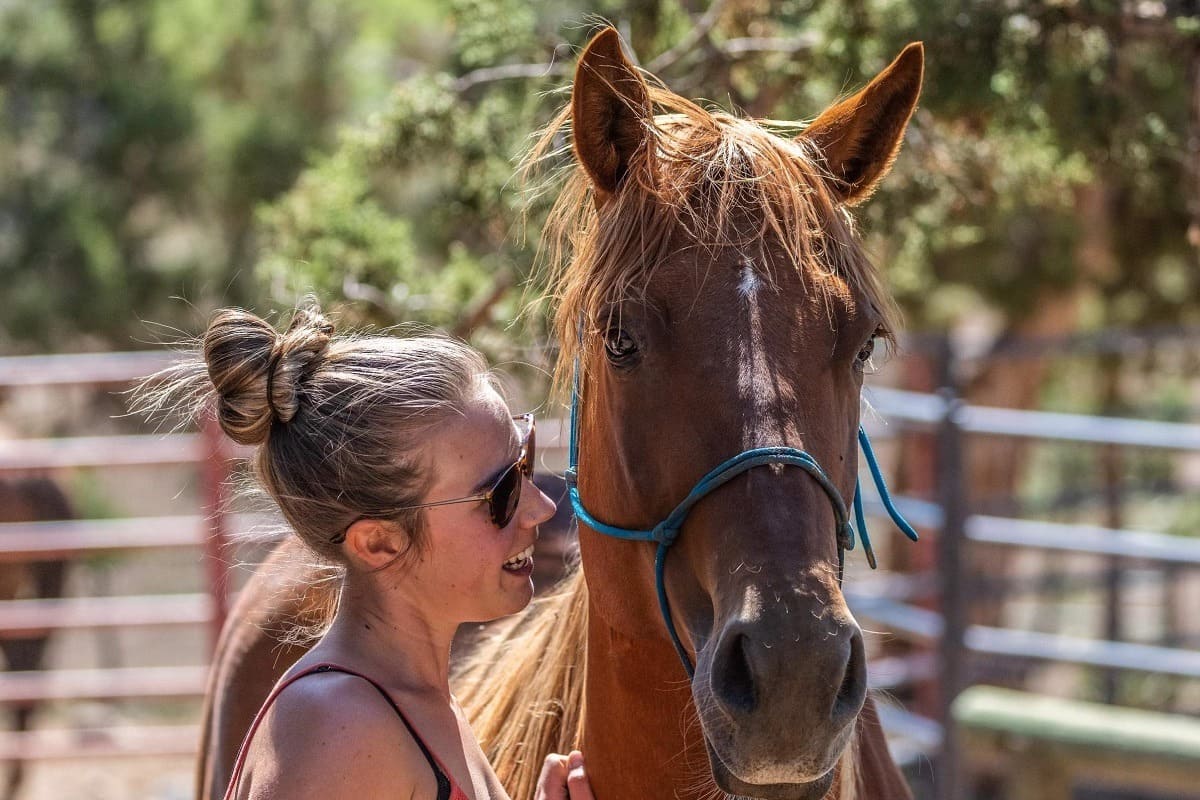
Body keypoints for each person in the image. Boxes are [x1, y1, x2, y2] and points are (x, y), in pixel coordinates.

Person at [146, 304, 594, 800]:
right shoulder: (342, 729)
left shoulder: (409, 703)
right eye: (503, 491)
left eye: (526, 462)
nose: (541, 507)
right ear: (379, 542)